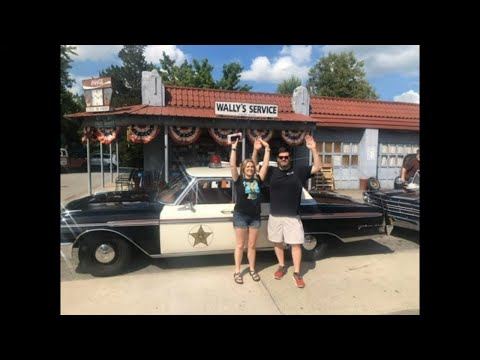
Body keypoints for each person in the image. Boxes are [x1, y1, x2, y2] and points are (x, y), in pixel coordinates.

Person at [257, 134, 322, 288]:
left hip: (293, 217)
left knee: (296, 245)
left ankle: (297, 273)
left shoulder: (299, 171)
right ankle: (281, 266)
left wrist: (314, 149)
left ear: (290, 158)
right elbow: (256, 169)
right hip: (275, 216)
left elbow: (318, 167)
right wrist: (261, 150)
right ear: (277, 159)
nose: (284, 159)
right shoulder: (271, 172)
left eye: (286, 157)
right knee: (277, 243)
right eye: (281, 157)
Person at [230, 136, 271, 284]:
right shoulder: (238, 179)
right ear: (243, 169)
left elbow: (265, 165)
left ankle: (252, 269)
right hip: (240, 215)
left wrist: (267, 148)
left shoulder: (258, 179)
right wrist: (234, 147)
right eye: (247, 167)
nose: (250, 168)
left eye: (251, 166)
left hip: (255, 216)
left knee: (252, 246)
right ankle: (237, 272)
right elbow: (232, 165)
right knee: (240, 245)